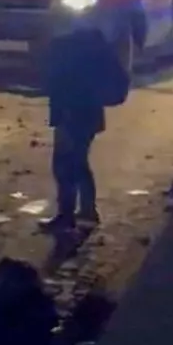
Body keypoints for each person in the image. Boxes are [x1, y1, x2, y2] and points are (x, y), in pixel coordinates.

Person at [44, 26, 129, 232]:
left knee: (66, 166)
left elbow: (61, 88)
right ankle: (86, 212)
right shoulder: (91, 41)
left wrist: (62, 120)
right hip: (88, 116)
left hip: (72, 116)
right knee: (78, 162)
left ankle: (68, 216)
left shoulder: (67, 48)